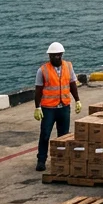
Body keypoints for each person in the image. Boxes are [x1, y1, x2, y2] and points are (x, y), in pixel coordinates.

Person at [33, 42, 81, 172]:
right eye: (53, 56)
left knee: (63, 136)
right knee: (45, 135)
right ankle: (41, 160)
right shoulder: (42, 70)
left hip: (64, 107)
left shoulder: (68, 66)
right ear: (49, 56)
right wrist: (37, 107)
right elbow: (38, 90)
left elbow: (72, 84)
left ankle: (62, 160)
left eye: (58, 56)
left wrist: (77, 100)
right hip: (49, 109)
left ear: (62, 55)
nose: (56, 58)